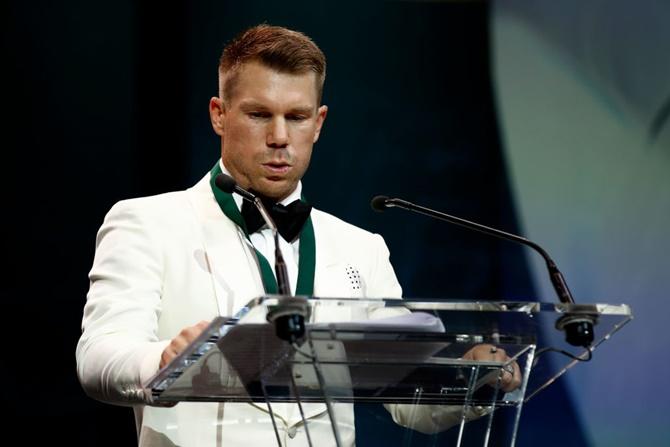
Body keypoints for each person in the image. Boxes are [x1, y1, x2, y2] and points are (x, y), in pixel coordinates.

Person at [76, 24, 520, 447]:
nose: (280, 136)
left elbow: (407, 399)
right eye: (258, 114)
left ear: (319, 122)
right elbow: (98, 357)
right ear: (219, 114)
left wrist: (470, 380)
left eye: (297, 116)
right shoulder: (148, 222)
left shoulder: (360, 248)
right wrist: (164, 362)